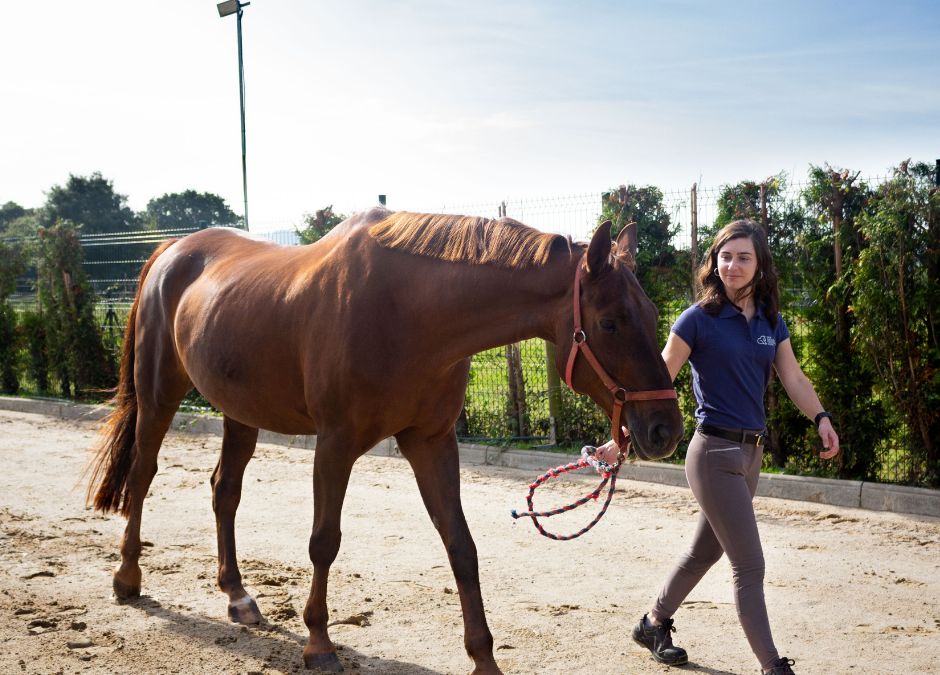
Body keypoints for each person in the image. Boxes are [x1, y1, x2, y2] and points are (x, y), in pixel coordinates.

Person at [598, 219, 839, 675]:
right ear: (715, 261)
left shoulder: (771, 321)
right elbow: (657, 381)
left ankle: (653, 623)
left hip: (751, 456)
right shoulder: (697, 319)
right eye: (724, 256)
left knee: (702, 553)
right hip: (713, 455)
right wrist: (619, 440)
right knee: (749, 566)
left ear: (760, 265)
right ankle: (773, 666)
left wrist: (821, 417)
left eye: (743, 257)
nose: (732, 265)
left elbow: (793, 378)